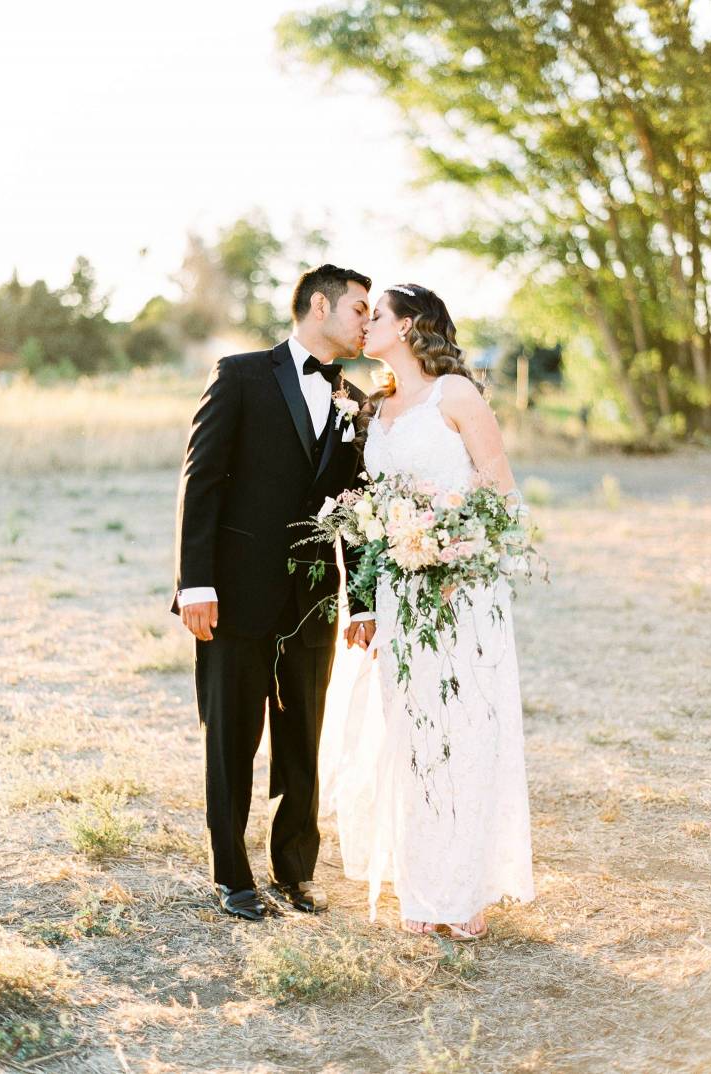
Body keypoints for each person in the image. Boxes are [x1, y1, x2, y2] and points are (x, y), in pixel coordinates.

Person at [172, 264, 376, 922]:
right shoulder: (240, 376)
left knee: (302, 743)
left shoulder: (355, 400)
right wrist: (195, 583)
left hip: (314, 603)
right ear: (319, 306)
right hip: (234, 595)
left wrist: (364, 598)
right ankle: (232, 877)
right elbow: (200, 481)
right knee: (232, 740)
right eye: (359, 309)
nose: (367, 322)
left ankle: (296, 872)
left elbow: (356, 508)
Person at [335, 283, 534, 940]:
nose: (365, 325)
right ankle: (423, 884)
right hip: (400, 591)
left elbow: (504, 496)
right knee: (411, 729)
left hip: (460, 591)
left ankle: (465, 891)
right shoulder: (376, 406)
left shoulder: (457, 395)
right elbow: (368, 505)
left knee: (464, 731)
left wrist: (458, 548)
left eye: (377, 316)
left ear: (411, 325)